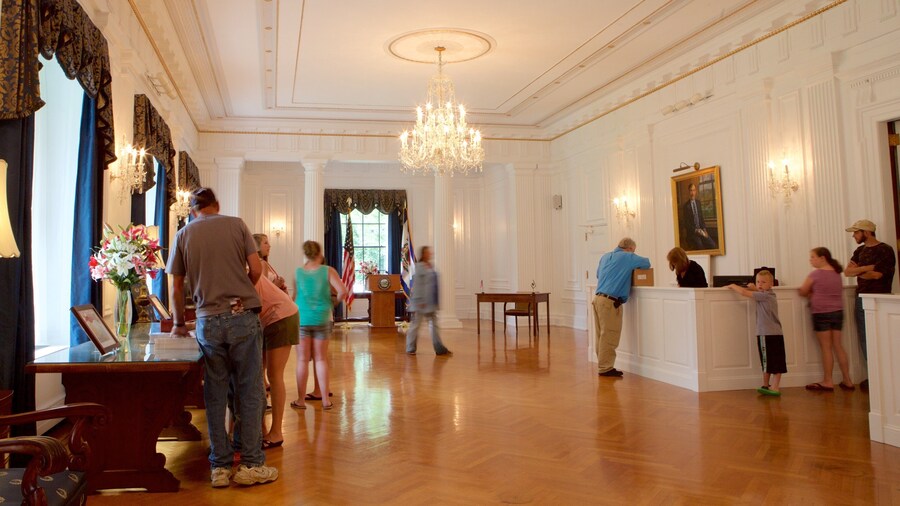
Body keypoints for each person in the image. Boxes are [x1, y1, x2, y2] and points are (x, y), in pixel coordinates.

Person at [167, 187, 278, 487]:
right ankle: (252, 464)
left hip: (207, 322)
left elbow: (176, 287)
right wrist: (242, 288)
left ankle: (219, 466)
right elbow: (256, 270)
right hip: (242, 315)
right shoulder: (237, 224)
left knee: (215, 393)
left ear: (192, 210)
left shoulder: (183, 235)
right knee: (250, 390)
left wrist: (178, 323)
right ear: (217, 205)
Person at [252, 234, 299, 449]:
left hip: (281, 317)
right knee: (258, 373)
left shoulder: (252, 267)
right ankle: (257, 427)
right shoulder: (248, 266)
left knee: (274, 374)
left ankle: (276, 432)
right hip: (268, 319)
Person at [291, 241, 347, 411]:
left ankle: (301, 400)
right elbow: (343, 291)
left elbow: (294, 297)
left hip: (302, 319)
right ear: (319, 253)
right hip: (322, 318)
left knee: (302, 360)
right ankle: (325, 400)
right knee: (321, 359)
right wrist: (333, 303)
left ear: (306, 254)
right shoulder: (328, 270)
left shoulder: (298, 272)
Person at [844, 219, 896, 381]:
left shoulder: (885, 250)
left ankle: (887, 375)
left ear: (866, 232)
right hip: (861, 297)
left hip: (881, 298)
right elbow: (847, 272)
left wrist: (859, 271)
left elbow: (877, 275)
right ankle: (873, 375)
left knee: (884, 337)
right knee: (865, 337)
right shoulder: (859, 251)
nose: (854, 236)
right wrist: (867, 268)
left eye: (856, 232)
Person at [593, 238, 651, 377]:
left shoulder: (605, 256)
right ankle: (605, 368)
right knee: (609, 335)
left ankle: (602, 365)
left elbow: (597, 274)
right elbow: (647, 263)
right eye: (634, 250)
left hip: (597, 299)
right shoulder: (628, 256)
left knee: (600, 335)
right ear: (630, 248)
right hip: (610, 302)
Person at [799, 247, 853, 392]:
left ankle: (828, 381)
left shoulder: (816, 274)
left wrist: (811, 293)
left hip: (821, 313)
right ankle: (847, 379)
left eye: (813, 257)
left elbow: (803, 291)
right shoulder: (836, 273)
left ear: (822, 258)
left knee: (826, 347)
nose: (811, 260)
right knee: (838, 345)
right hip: (838, 312)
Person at [727, 270, 786, 396]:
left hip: (766, 333)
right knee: (774, 360)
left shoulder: (765, 296)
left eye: (763, 282)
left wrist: (732, 285)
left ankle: (773, 386)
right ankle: (768, 385)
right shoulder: (769, 295)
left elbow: (743, 292)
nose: (760, 284)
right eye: (758, 281)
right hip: (776, 333)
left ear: (771, 284)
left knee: (768, 361)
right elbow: (757, 292)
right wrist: (756, 289)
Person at [406, 246, 452, 356]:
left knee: (434, 326)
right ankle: (410, 347)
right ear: (423, 254)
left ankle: (439, 348)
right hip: (420, 303)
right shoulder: (419, 267)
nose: (430, 254)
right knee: (416, 325)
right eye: (428, 252)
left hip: (431, 302)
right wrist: (420, 300)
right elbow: (418, 285)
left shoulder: (430, 266)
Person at [680, 182, 717, 250]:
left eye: (694, 190)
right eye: (691, 190)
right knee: (700, 246)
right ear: (688, 192)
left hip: (702, 231)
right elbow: (686, 224)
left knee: (713, 245)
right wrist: (696, 230)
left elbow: (701, 218)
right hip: (693, 233)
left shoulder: (698, 203)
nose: (692, 193)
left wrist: (704, 229)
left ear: (696, 191)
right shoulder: (686, 206)